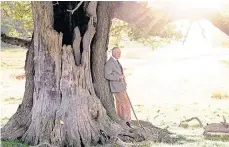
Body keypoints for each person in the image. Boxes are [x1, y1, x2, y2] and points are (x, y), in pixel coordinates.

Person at [104, 47, 131, 127]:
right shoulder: (110, 63)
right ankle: (127, 121)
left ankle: (122, 120)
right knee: (125, 104)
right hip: (117, 87)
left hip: (121, 86)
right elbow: (107, 75)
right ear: (113, 53)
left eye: (120, 52)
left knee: (120, 104)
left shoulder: (116, 61)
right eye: (118, 52)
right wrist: (118, 77)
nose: (119, 54)